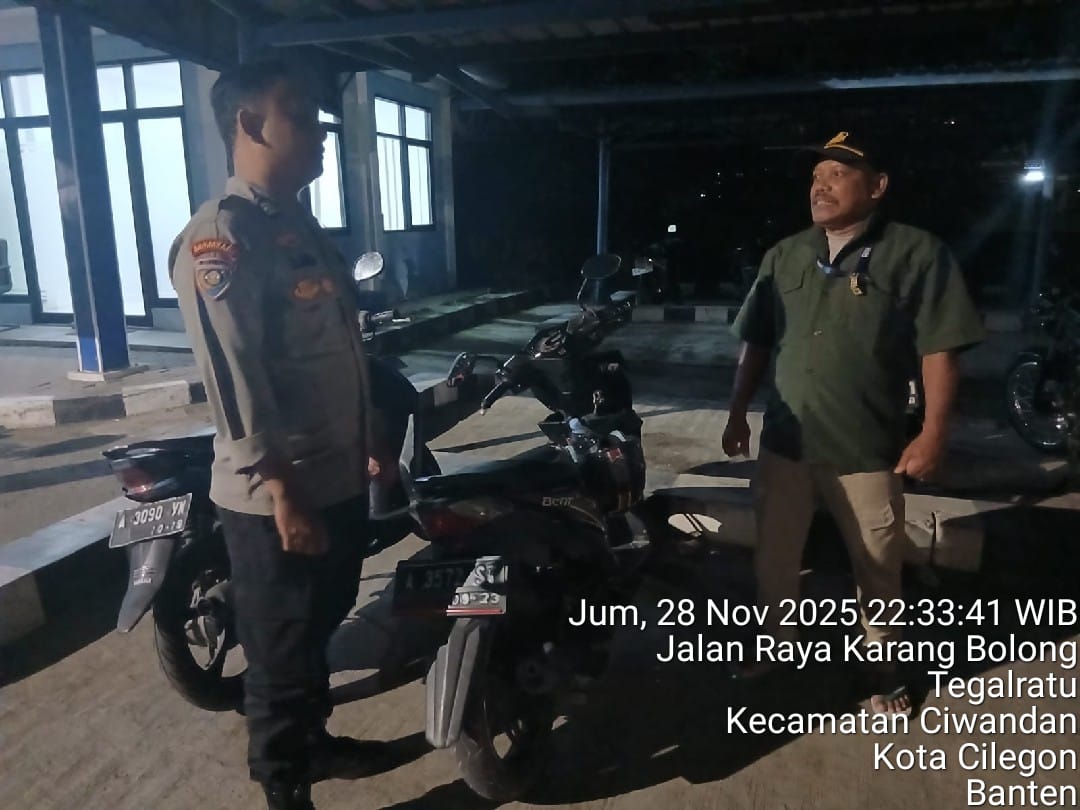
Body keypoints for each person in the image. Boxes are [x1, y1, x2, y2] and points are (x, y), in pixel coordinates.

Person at [169, 60, 392, 810]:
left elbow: (338, 349)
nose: (321, 131)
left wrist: (370, 432)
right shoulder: (222, 238)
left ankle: (313, 744)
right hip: (278, 495)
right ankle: (284, 785)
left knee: (316, 625)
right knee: (280, 650)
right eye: (300, 115)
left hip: (333, 474)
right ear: (250, 125)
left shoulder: (296, 226)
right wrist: (282, 489)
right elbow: (235, 376)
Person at [722, 131, 985, 715]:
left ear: (877, 186)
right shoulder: (785, 255)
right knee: (775, 555)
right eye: (816, 176)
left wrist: (934, 432)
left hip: (866, 446)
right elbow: (756, 341)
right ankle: (775, 643)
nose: (820, 185)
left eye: (838, 174)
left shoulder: (916, 253)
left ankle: (882, 670)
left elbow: (940, 348)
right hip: (785, 444)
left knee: (877, 564)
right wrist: (738, 411)